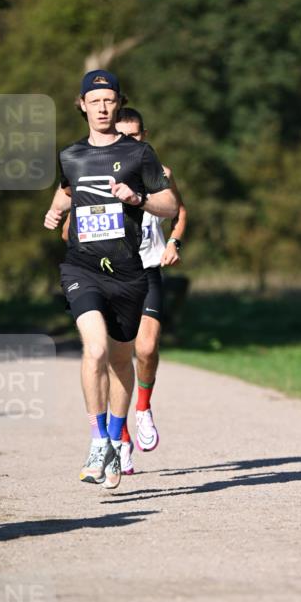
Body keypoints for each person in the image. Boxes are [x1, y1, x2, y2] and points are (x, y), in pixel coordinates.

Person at [43, 69, 177, 488]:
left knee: (122, 361)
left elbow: (170, 203)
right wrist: (55, 211)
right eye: (94, 100)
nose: (102, 107)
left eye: (109, 100)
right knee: (96, 349)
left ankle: (118, 441)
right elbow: (67, 189)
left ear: (118, 104)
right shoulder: (70, 154)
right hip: (81, 267)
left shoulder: (140, 154)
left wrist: (137, 198)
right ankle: (98, 438)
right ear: (82, 105)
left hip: (128, 272)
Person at [114, 108, 187, 472]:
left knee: (146, 347)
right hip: (110, 276)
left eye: (135, 136)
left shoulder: (160, 174)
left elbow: (180, 212)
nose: (129, 143)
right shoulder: (99, 173)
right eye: (121, 137)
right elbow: (70, 228)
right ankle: (120, 436)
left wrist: (174, 242)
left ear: (145, 135)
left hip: (148, 269)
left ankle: (143, 408)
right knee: (115, 360)